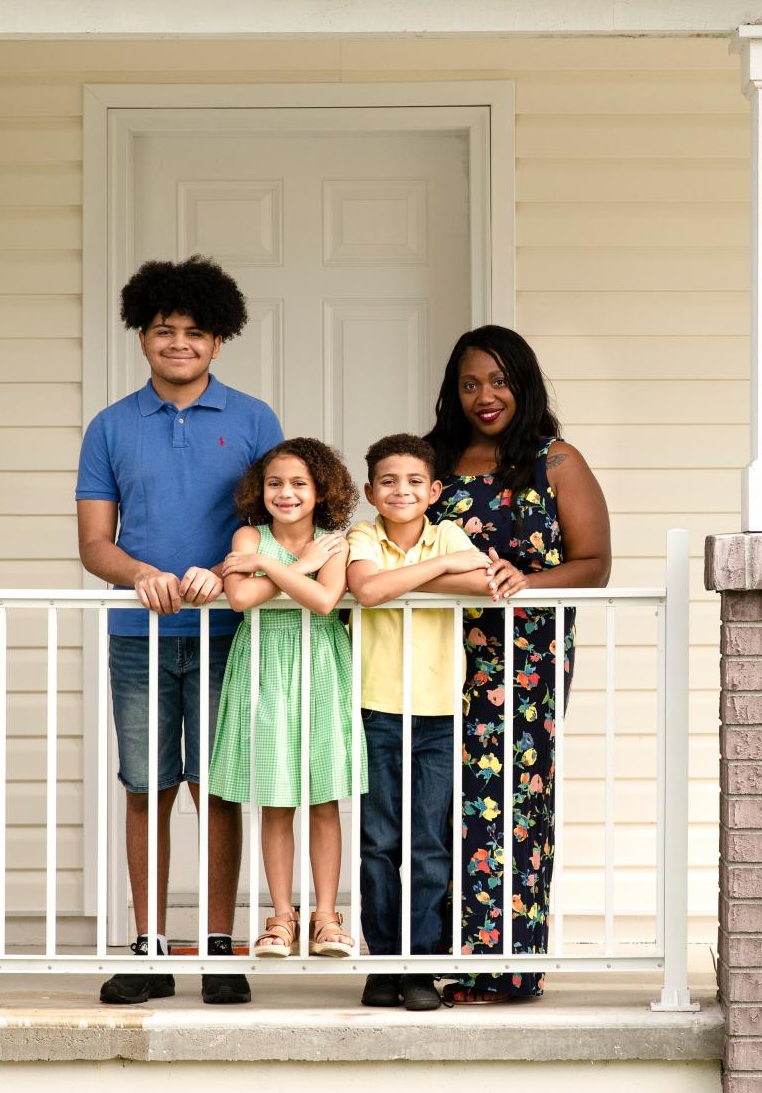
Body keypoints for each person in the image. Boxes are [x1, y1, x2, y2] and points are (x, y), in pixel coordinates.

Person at [77, 256, 281, 1006]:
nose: (180, 344)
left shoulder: (255, 420)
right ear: (142, 336)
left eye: (196, 332)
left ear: (218, 341)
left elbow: (276, 523)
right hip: (140, 637)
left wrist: (227, 569)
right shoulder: (110, 426)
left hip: (228, 631)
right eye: (165, 330)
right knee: (147, 786)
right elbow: (95, 542)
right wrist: (140, 574)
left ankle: (220, 951)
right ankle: (151, 948)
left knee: (218, 787)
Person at [424, 326, 612, 1004]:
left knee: (510, 804)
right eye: (470, 383)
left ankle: (505, 969)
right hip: (434, 654)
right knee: (432, 805)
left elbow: (593, 565)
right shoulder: (434, 462)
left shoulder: (554, 460)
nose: (485, 396)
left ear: (523, 383)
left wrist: (526, 585)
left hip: (524, 661)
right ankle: (425, 960)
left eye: (498, 381)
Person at [344, 434, 494, 1012]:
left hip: (439, 711)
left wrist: (412, 575)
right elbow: (367, 588)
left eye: (413, 482)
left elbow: (482, 582)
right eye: (387, 481)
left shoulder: (448, 532)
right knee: (379, 843)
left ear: (434, 491)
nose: (400, 491)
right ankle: (382, 965)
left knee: (430, 844)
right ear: (369, 492)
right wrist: (442, 570)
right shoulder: (362, 536)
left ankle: (420, 967)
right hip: (376, 707)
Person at [208, 438, 369, 964]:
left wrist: (267, 568)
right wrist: (298, 565)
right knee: (276, 798)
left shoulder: (336, 542)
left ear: (321, 490)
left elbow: (324, 603)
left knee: (323, 798)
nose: (287, 492)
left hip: (320, 664)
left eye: (300, 482)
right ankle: (282, 917)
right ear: (261, 488)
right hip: (264, 667)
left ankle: (326, 916)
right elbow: (239, 598)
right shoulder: (249, 535)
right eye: (276, 482)